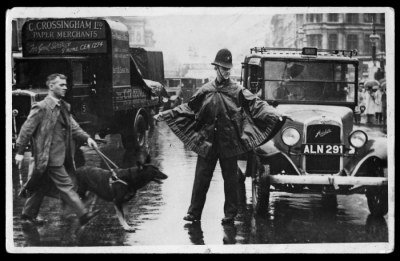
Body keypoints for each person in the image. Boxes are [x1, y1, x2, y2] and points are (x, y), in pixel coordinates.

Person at [153, 49, 287, 224]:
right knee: (201, 179)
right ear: (216, 68)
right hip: (207, 143)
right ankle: (194, 213)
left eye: (228, 68)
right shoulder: (206, 89)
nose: (226, 71)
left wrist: (275, 113)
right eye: (223, 68)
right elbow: (189, 107)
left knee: (231, 181)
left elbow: (257, 104)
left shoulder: (238, 90)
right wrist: (165, 114)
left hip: (229, 143)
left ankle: (230, 215)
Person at [15, 73, 100, 227]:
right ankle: (83, 214)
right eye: (61, 84)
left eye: (66, 84)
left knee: (40, 187)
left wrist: (87, 138)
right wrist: (20, 152)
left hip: (61, 156)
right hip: (48, 157)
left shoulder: (63, 107)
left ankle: (27, 215)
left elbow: (74, 128)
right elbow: (26, 130)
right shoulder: (41, 107)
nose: (65, 87)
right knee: (67, 186)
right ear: (51, 86)